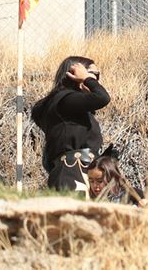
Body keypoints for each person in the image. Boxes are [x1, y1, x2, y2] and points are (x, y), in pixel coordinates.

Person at [30, 56, 109, 192]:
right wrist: (86, 79)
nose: (96, 79)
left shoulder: (66, 105)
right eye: (93, 74)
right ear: (74, 74)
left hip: (76, 172)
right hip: (73, 173)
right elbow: (102, 98)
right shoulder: (65, 100)